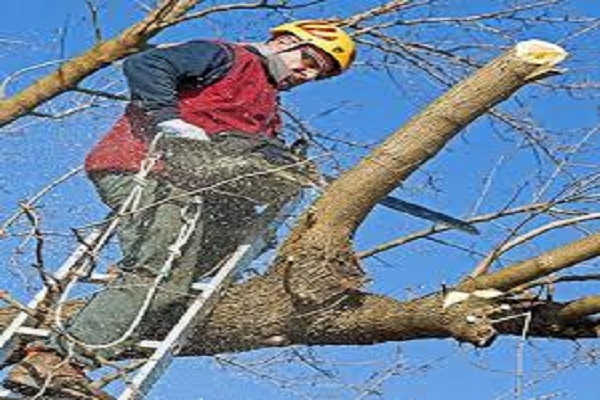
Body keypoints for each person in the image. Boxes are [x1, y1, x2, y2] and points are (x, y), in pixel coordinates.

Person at [4, 20, 355, 399]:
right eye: (308, 60)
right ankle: (54, 359)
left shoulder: (268, 110)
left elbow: (246, 159)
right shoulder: (225, 57)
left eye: (317, 74)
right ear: (285, 41)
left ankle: (83, 333)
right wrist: (168, 119)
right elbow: (147, 65)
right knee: (158, 272)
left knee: (180, 282)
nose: (307, 74)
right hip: (144, 170)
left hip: (194, 193)